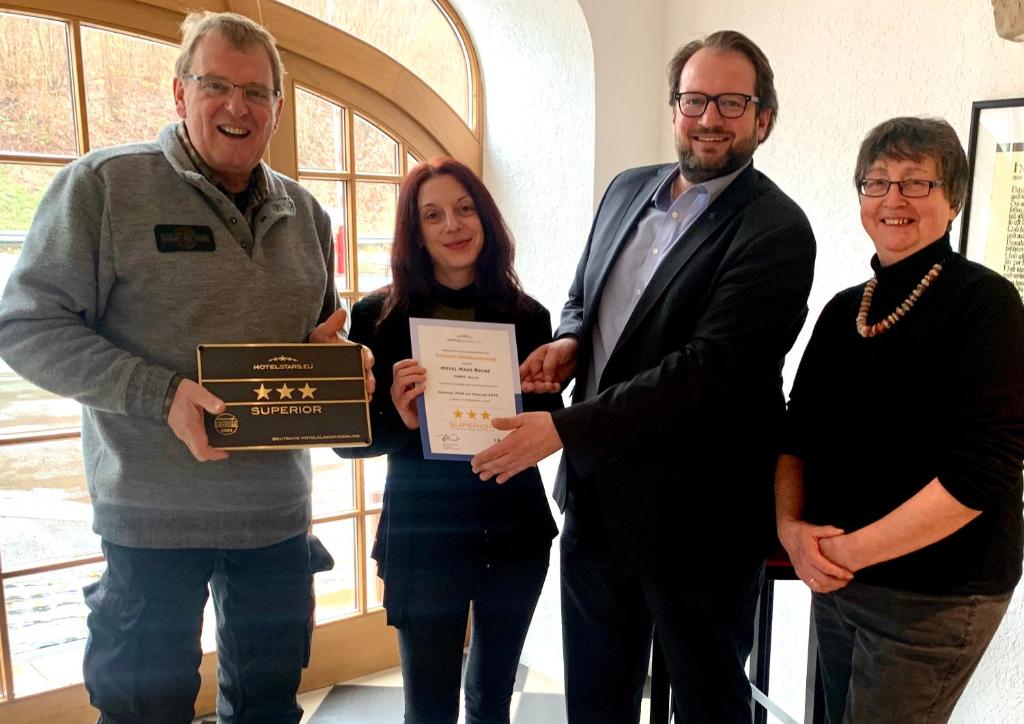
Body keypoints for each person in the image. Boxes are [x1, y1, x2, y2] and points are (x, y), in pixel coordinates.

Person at [0, 11, 373, 724]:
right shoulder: (103, 187)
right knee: (144, 711)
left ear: (277, 108)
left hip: (275, 522)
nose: (237, 107)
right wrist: (159, 393)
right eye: (216, 86)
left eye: (257, 92)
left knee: (267, 709)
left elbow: (313, 344)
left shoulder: (309, 214)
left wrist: (337, 371)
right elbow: (25, 326)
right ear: (179, 94)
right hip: (150, 523)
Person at [471, 30, 816, 723]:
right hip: (598, 506)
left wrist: (562, 427)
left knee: (709, 703)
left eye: (730, 102)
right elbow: (585, 295)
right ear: (674, 108)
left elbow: (706, 373)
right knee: (596, 699)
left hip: (701, 521)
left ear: (763, 119)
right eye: (694, 99)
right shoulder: (627, 190)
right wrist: (570, 341)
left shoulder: (777, 230)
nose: (709, 118)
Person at [776, 116, 1024, 723]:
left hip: (934, 592)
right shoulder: (842, 312)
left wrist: (847, 551)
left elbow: (979, 474)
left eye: (916, 183)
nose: (893, 199)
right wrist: (789, 528)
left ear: (953, 201)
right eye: (877, 181)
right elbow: (797, 435)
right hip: (838, 578)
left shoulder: (987, 305)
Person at [336, 158, 560, 724]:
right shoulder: (376, 318)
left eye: (464, 209)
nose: (453, 225)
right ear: (415, 232)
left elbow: (545, 423)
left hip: (513, 528)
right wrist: (402, 418)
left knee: (491, 700)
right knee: (428, 707)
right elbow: (352, 443)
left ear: (485, 218)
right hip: (424, 532)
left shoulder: (527, 316)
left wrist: (543, 402)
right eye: (432, 215)